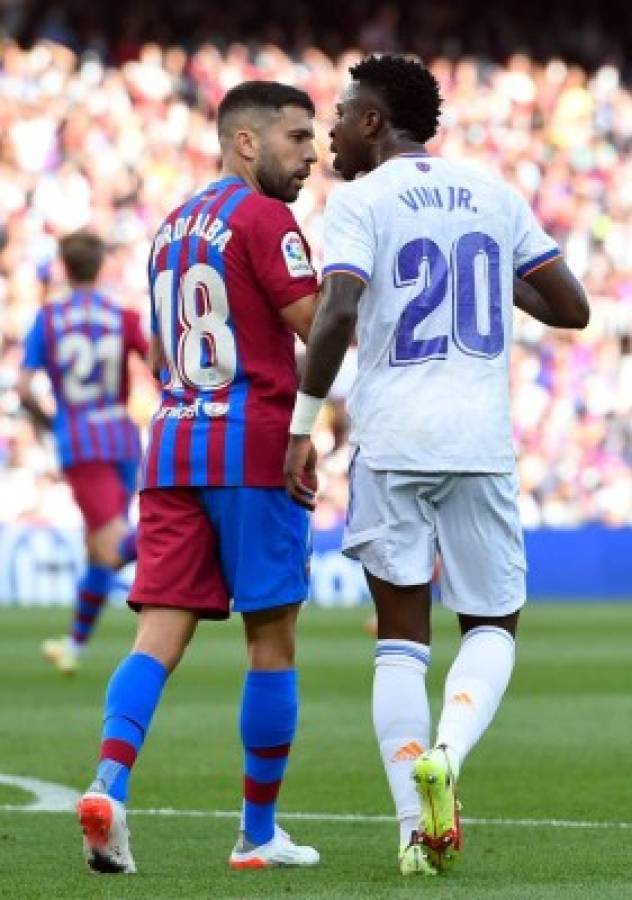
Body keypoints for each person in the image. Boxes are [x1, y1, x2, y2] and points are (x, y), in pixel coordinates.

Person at [285, 55, 589, 877]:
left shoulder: (360, 201)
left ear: (377, 122)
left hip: (392, 440)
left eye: (343, 113)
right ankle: (446, 757)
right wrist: (485, 283)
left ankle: (413, 833)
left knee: (399, 640)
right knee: (491, 626)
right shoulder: (494, 194)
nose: (332, 131)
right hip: (479, 441)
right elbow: (572, 307)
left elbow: (340, 308)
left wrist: (302, 427)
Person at [75, 81, 320, 875]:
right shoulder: (265, 218)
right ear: (245, 143)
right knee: (272, 640)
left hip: (174, 449)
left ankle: (108, 784)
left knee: (157, 635)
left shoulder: (172, 226)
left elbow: (157, 352)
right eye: (296, 138)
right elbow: (315, 325)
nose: (311, 155)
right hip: (254, 450)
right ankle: (257, 833)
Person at [18, 230, 148, 674]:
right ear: (100, 266)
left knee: (111, 548)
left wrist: (50, 422)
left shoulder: (49, 319)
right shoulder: (123, 316)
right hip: (123, 436)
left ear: (64, 268)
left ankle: (198, 539)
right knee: (98, 549)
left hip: (81, 441)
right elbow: (159, 362)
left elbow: (23, 387)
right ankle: (73, 645)